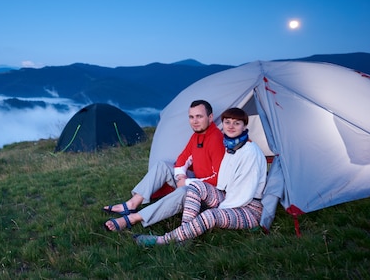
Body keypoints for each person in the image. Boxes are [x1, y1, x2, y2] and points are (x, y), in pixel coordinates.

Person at [134, 107, 267, 246]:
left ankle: (163, 240)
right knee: (194, 186)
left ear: (244, 126)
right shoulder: (232, 147)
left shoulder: (250, 153)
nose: (231, 126)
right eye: (227, 122)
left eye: (237, 123)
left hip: (248, 209)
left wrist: (219, 209)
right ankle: (185, 237)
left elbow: (244, 193)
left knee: (210, 216)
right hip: (228, 197)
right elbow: (224, 181)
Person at [104, 100, 225, 232]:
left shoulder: (216, 139)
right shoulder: (197, 136)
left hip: (210, 194)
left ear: (210, 117)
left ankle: (133, 218)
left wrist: (187, 182)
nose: (194, 121)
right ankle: (131, 204)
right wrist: (181, 176)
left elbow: (218, 180)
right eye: (191, 117)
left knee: (183, 192)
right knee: (163, 166)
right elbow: (182, 158)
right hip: (198, 182)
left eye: (199, 116)